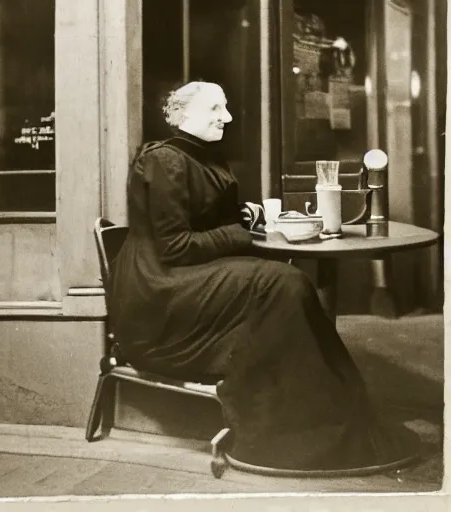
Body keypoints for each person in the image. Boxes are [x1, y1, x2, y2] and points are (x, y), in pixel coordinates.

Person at [108, 80, 419, 472]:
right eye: (215, 109)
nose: (228, 117)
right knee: (282, 284)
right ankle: (304, 435)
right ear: (184, 115)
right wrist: (241, 232)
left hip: (182, 282)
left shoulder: (199, 156)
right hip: (159, 299)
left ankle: (333, 420)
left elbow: (201, 222)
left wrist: (243, 215)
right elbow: (176, 247)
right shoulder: (165, 160)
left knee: (285, 281)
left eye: (226, 107)